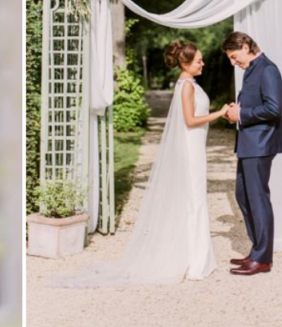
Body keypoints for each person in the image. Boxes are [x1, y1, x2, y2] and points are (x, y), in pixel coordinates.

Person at [51, 40, 228, 288]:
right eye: (199, 60)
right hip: (191, 149)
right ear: (186, 63)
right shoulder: (186, 86)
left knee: (194, 200)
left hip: (195, 147)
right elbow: (190, 120)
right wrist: (220, 113)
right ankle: (195, 262)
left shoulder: (188, 83)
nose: (203, 63)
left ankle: (194, 257)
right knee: (194, 201)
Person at [222, 31, 282, 276]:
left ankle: (262, 259)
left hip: (260, 145)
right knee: (243, 195)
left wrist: (243, 114)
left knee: (258, 199)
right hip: (248, 144)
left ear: (246, 45)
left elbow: (273, 107)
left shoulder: (268, 69)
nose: (233, 62)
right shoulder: (251, 69)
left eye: (234, 56)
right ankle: (258, 249)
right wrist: (236, 111)